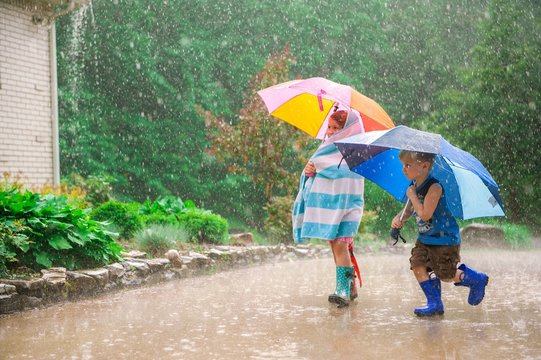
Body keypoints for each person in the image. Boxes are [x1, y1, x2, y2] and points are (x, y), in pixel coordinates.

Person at [391, 150, 489, 316]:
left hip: (444, 239)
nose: (403, 169)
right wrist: (399, 218)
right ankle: (434, 303)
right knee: (418, 265)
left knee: (446, 275)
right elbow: (409, 210)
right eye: (403, 165)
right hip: (425, 239)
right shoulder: (413, 187)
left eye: (407, 165)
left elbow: (425, 214)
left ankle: (476, 279)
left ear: (424, 166)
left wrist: (413, 195)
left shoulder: (434, 187)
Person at [292, 109, 364, 308]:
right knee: (335, 245)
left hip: (348, 206)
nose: (331, 131)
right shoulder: (326, 148)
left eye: (336, 128)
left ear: (347, 130)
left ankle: (342, 290)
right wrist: (309, 171)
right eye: (329, 127)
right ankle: (348, 286)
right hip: (329, 206)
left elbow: (345, 174)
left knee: (341, 245)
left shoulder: (355, 150)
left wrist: (321, 168)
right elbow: (317, 168)